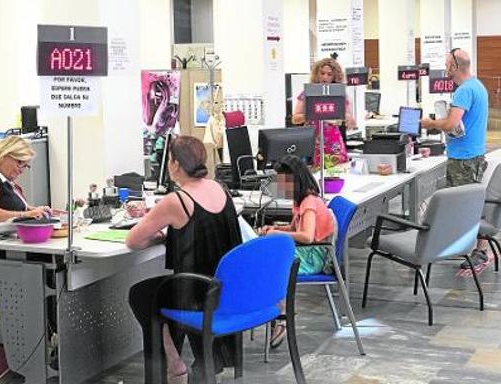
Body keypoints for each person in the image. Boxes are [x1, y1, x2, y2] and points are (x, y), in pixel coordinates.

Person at [126, 135, 242, 384]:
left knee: (142, 295)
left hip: (195, 290)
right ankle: (181, 365)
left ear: (176, 165)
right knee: (156, 294)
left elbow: (133, 241)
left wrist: (159, 233)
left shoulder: (176, 200)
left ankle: (173, 366)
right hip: (223, 287)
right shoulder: (219, 188)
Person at [0, 136, 56, 378]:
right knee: (1, 321)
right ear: (5, 156)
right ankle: (7, 375)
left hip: (10, 254)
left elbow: (20, 211)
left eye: (25, 166)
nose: (21, 170)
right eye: (19, 164)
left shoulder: (5, 181)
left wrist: (42, 212)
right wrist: (26, 215)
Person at [420, 48, 489, 270]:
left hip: (463, 159)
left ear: (453, 67)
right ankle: (476, 248)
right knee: (472, 203)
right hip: (474, 154)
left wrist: (430, 123)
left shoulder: (463, 91)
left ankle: (477, 251)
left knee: (464, 206)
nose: (445, 68)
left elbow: (451, 124)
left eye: (447, 64)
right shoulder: (478, 86)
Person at [259, 155, 337, 348]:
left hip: (314, 256)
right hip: (310, 252)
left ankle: (280, 317)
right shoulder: (303, 200)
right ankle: (276, 314)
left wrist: (276, 233)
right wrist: (274, 230)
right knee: (267, 258)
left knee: (268, 265)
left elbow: (307, 236)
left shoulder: (309, 203)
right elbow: (297, 230)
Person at [292, 57, 357, 168]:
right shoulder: (307, 93)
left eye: (329, 74)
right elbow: (295, 119)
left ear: (335, 77)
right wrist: (313, 114)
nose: (325, 77)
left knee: (337, 174)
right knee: (316, 177)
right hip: (312, 141)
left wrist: (345, 117)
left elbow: (351, 122)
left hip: (333, 142)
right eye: (322, 73)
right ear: (316, 74)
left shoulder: (339, 95)